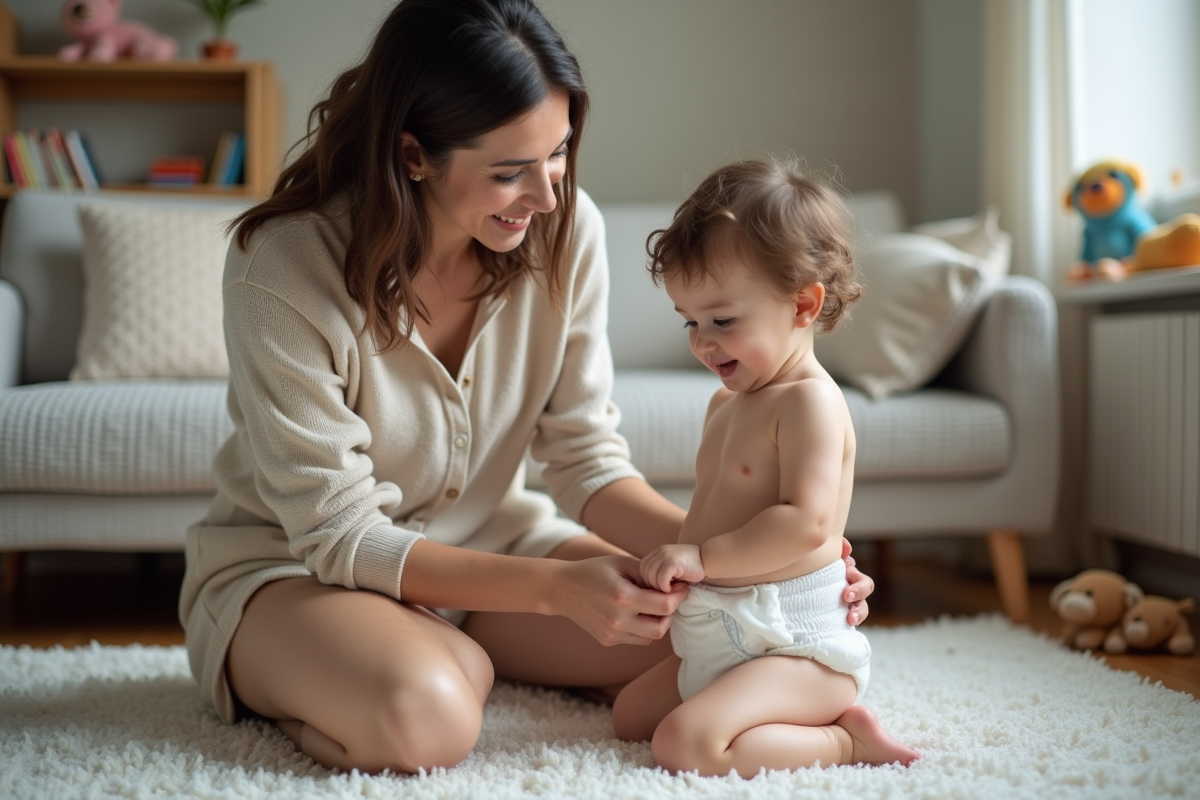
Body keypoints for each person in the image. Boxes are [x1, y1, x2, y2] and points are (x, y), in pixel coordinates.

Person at [177, 0, 876, 775]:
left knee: (707, 640)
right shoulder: (281, 268)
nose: (546, 197)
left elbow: (586, 461)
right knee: (429, 716)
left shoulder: (567, 233)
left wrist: (754, 569)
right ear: (414, 155)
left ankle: (442, 650)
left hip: (496, 553)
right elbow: (338, 535)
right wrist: (551, 592)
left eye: (559, 154)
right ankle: (417, 663)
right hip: (294, 572)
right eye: (509, 172)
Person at [612, 159, 919, 776]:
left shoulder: (810, 401)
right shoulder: (727, 403)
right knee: (628, 718)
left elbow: (807, 524)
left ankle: (844, 741)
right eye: (690, 321)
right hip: (719, 629)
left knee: (684, 746)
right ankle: (762, 713)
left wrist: (701, 559)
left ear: (804, 305)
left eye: (722, 320)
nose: (702, 341)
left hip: (795, 641)